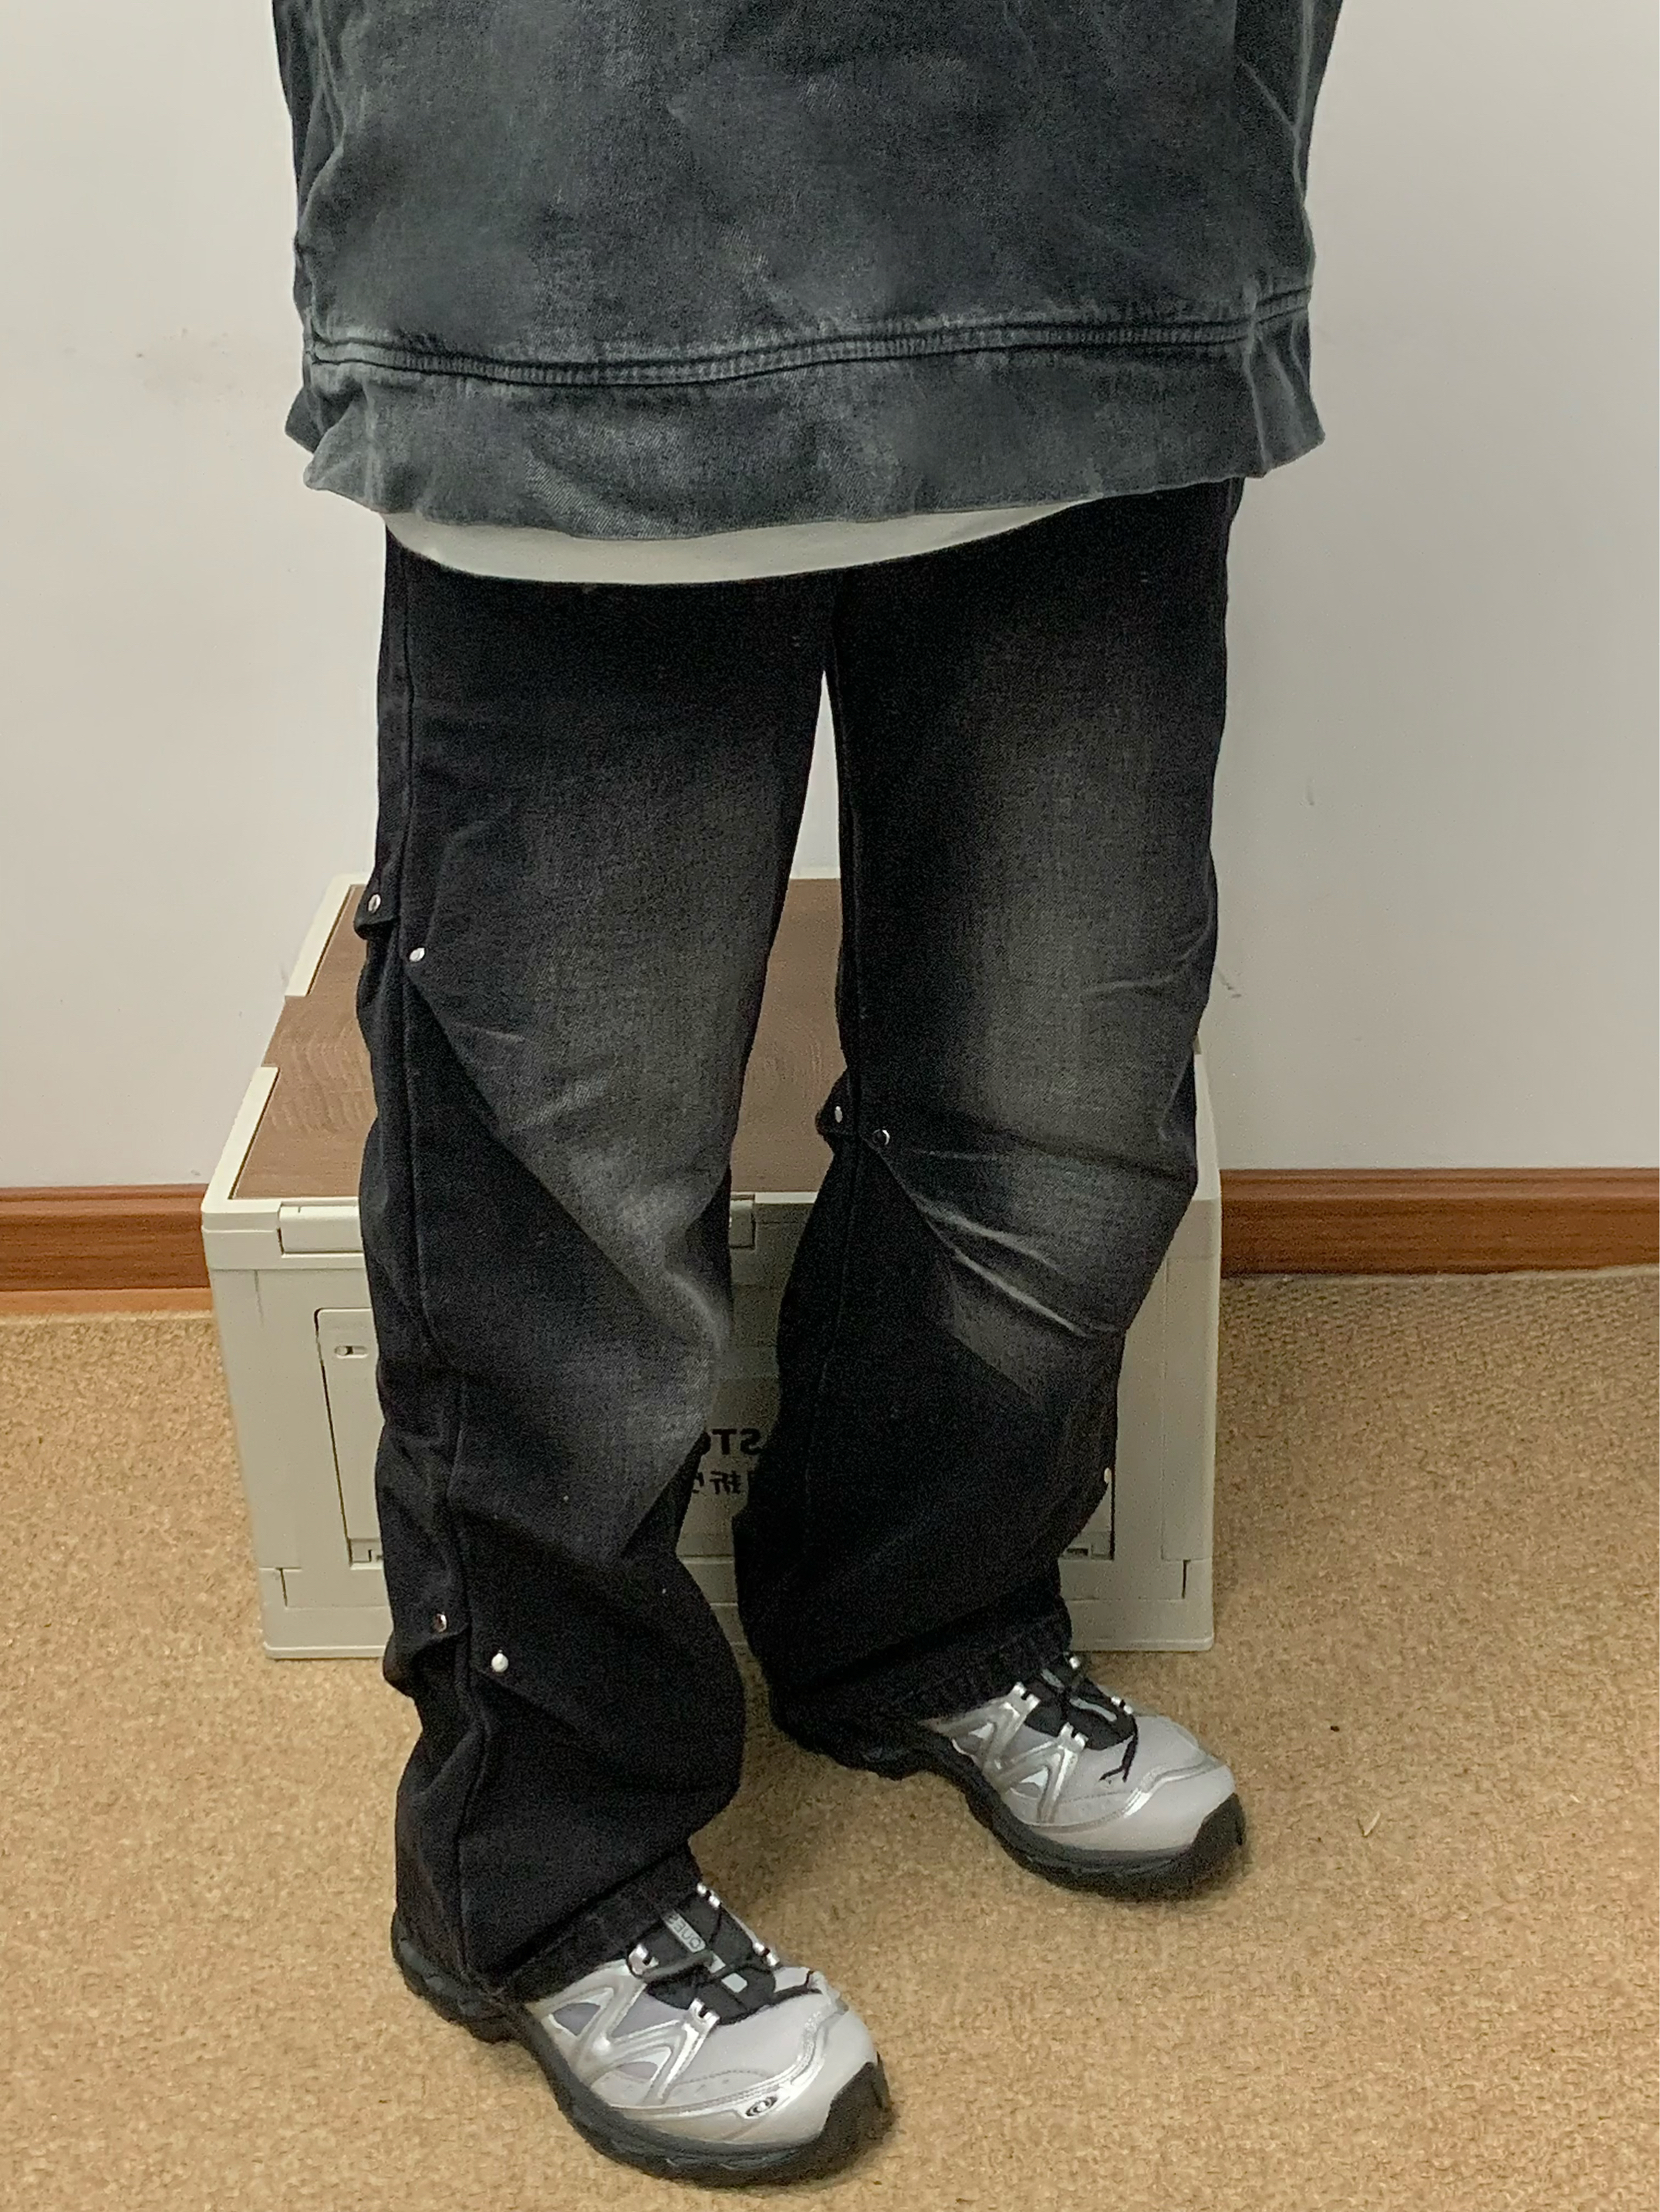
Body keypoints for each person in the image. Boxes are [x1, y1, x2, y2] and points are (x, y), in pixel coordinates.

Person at [272, 0, 1344, 2185]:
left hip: (1105, 236)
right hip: (589, 253)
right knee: (568, 1194)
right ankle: (539, 1854)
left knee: (1058, 1108)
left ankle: (920, 1616)